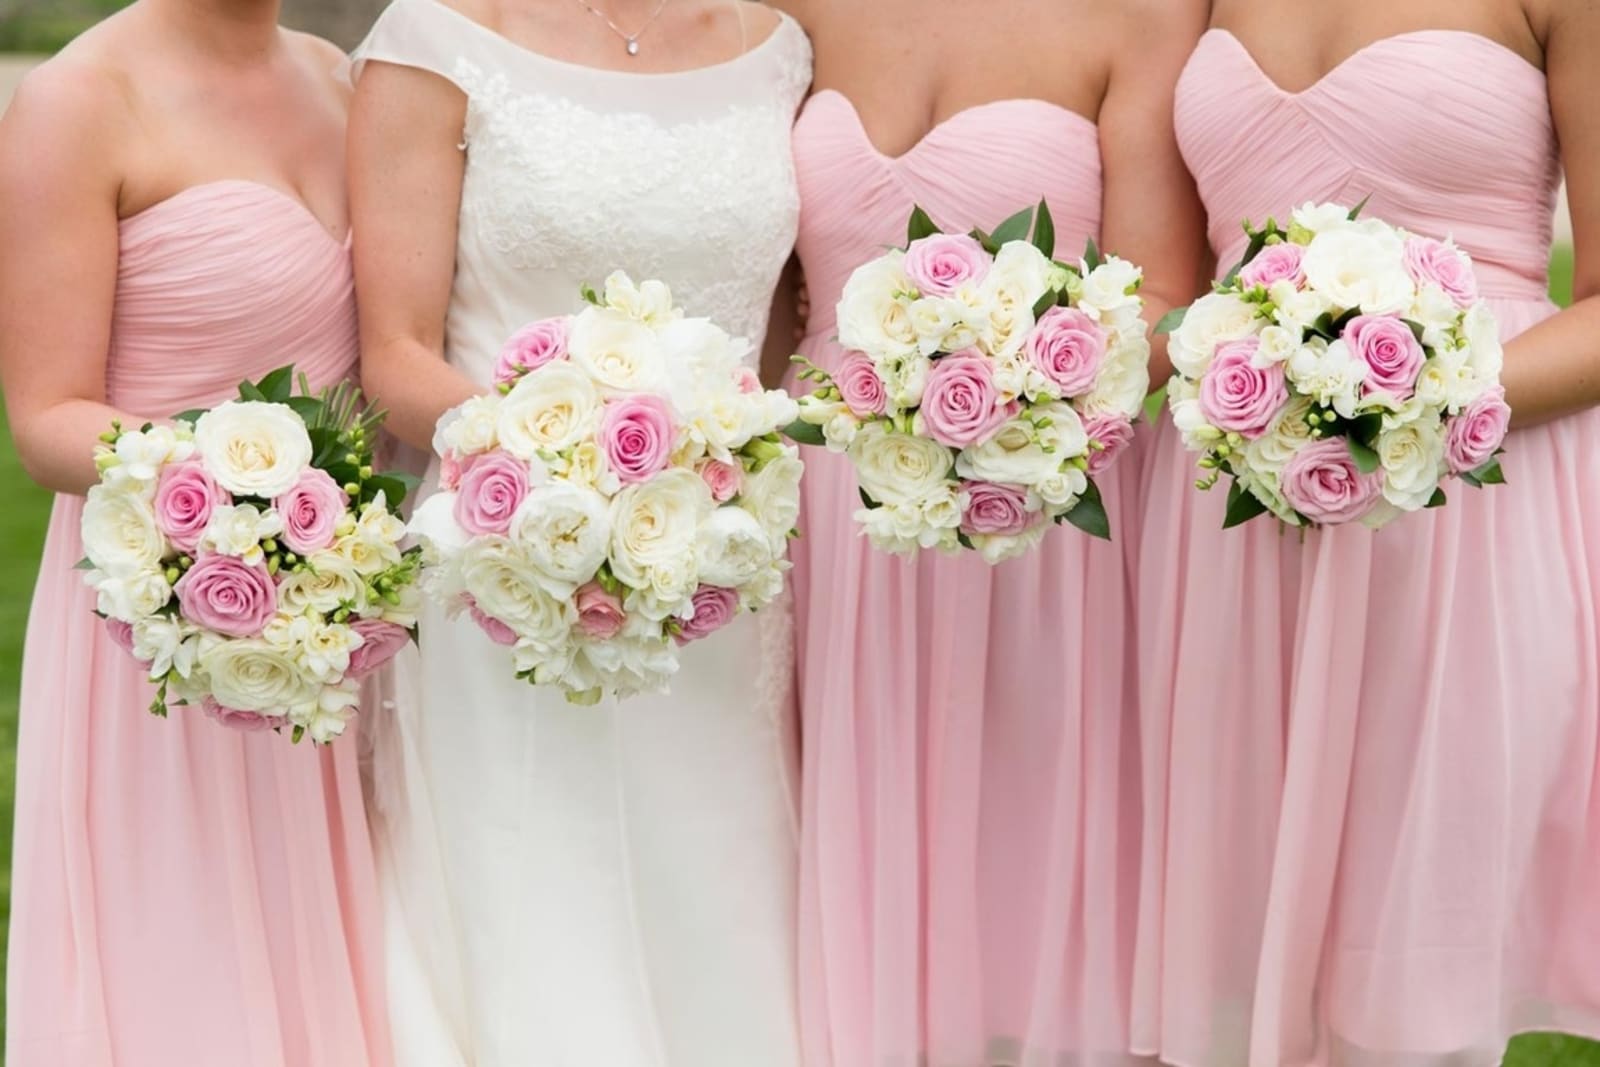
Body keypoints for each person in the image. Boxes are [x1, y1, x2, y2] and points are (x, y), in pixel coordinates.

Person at [1134, 1, 1600, 1063]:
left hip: (1474, 504)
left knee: (1416, 957)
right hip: (1243, 519)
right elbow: (1164, 292)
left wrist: (1407, 402)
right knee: (1245, 945)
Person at [345, 0, 810, 1061]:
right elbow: (397, 351)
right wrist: (562, 478)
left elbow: (774, 338)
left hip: (721, 570)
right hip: (506, 562)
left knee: (718, 877)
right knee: (535, 891)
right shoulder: (433, 41)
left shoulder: (777, 46)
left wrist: (698, 494)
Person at [771, 0, 1209, 1062]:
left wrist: (1006, 386)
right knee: (853, 863)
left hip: (1039, 506)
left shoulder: (1143, 17)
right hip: (837, 505)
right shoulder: (789, 16)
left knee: (1032, 855)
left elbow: (1161, 293)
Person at [0, 1, 390, 1063]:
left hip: (333, 620)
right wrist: (249, 504)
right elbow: (46, 417)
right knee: (190, 976)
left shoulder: (336, 74)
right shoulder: (77, 102)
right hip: (164, 616)